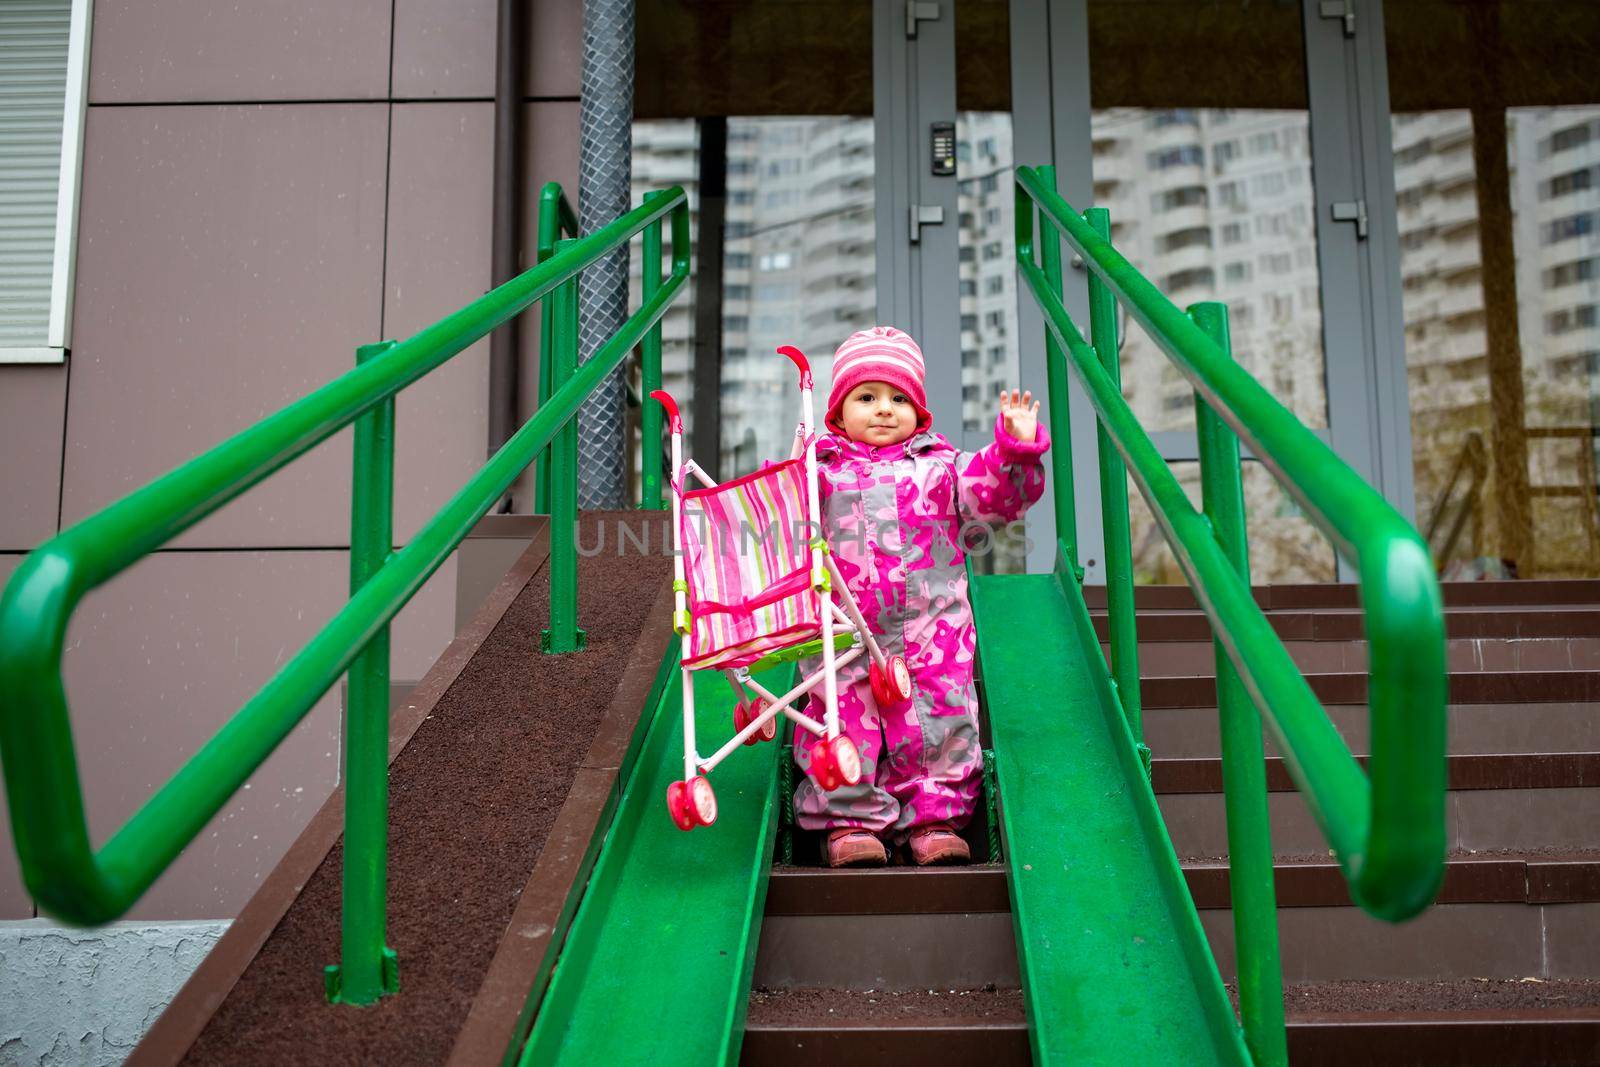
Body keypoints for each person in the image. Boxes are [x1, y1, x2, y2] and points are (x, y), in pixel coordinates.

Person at [795, 325, 1049, 867]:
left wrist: (1014, 452)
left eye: (899, 398)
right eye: (867, 397)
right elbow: (784, 525)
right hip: (841, 629)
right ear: (837, 414)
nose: (884, 410)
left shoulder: (941, 469)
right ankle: (848, 821)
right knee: (842, 719)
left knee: (938, 721)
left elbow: (996, 499)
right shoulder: (819, 473)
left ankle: (934, 820)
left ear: (920, 412)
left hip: (931, 632)